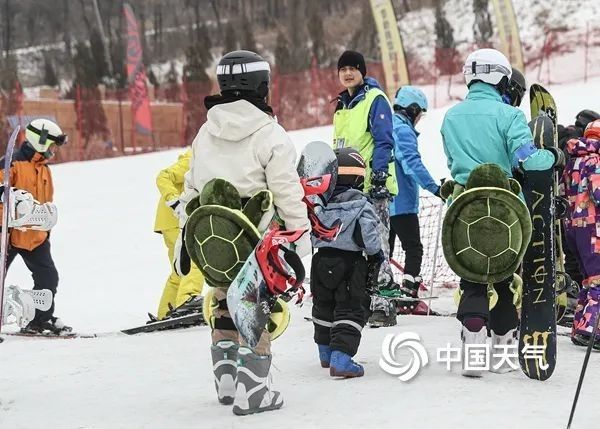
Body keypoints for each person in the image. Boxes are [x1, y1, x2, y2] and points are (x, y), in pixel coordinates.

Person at [175, 50, 311, 415]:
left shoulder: (205, 131)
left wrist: (185, 237)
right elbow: (287, 192)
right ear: (262, 85)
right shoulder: (270, 134)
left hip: (212, 242)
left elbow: (191, 187)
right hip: (254, 244)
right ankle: (254, 391)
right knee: (252, 308)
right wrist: (301, 238)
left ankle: (226, 379)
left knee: (222, 301)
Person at [441, 48, 562, 376]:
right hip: (506, 211)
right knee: (506, 279)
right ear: (501, 78)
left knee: (473, 281)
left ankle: (473, 350)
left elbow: (453, 164)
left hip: (465, 210)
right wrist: (553, 156)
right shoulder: (510, 116)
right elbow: (528, 158)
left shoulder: (450, 117)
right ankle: (504, 350)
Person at [332, 50, 399, 327]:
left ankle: (384, 304)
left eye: (353, 68)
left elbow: (384, 140)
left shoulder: (375, 99)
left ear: (362, 71)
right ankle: (361, 300)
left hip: (372, 185)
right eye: (343, 69)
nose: (348, 73)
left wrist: (380, 175)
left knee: (377, 244)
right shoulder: (341, 105)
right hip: (347, 187)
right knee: (353, 247)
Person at [311, 147, 381, 377]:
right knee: (350, 309)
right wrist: (375, 255)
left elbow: (311, 233)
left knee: (324, 306)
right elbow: (370, 239)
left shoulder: (319, 204)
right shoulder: (362, 205)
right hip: (351, 266)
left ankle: (325, 353)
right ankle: (341, 358)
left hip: (320, 261)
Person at [0, 119, 70, 335]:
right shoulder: (11, 164)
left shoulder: (44, 170)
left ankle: (39, 320)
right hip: (8, 235)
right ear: (39, 141)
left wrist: (46, 228)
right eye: (52, 145)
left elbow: (45, 202)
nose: (54, 150)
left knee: (48, 278)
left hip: (35, 237)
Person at [387, 85, 443, 315]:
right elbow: (411, 163)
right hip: (400, 202)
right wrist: (436, 188)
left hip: (381, 201)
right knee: (413, 248)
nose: (419, 118)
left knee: (384, 249)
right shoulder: (402, 130)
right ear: (412, 109)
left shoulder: (383, 125)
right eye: (419, 112)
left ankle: (380, 292)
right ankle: (408, 296)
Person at [562, 119, 600, 349]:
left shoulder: (572, 162)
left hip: (574, 227)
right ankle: (591, 328)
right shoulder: (595, 161)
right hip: (593, 227)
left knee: (589, 279)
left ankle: (580, 325)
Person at [153, 149, 204, 320]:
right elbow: (163, 176)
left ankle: (166, 312)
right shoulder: (194, 159)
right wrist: (175, 202)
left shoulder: (204, 161)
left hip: (169, 222)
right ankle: (187, 298)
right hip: (176, 220)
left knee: (179, 269)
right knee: (195, 258)